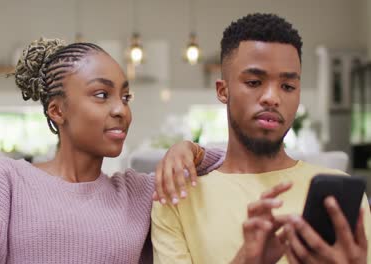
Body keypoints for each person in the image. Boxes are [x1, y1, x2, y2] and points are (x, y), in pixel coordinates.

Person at [0, 38, 224, 263]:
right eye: (102, 95)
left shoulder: (136, 192)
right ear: (57, 110)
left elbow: (241, 160)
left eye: (126, 97)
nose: (121, 110)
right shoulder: (3, 178)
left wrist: (188, 149)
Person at [151, 13, 371, 264]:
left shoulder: (339, 193)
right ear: (223, 91)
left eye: (287, 87)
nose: (272, 97)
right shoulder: (177, 199)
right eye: (255, 82)